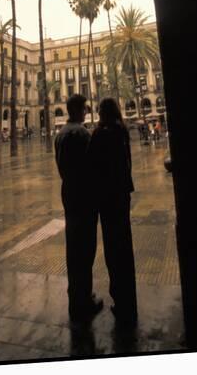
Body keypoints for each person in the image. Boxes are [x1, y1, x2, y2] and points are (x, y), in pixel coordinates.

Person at [87, 97, 138, 326]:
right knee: (124, 246)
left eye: (98, 111)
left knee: (113, 247)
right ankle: (129, 300)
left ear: (102, 113)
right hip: (122, 195)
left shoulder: (101, 134)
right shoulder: (122, 131)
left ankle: (120, 299)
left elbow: (91, 163)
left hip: (107, 198)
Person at [54, 94, 103, 323]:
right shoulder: (81, 133)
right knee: (85, 248)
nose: (86, 111)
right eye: (84, 108)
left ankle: (75, 297)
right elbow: (92, 165)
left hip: (68, 192)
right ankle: (84, 300)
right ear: (78, 110)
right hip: (84, 194)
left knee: (73, 247)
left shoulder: (60, 134)